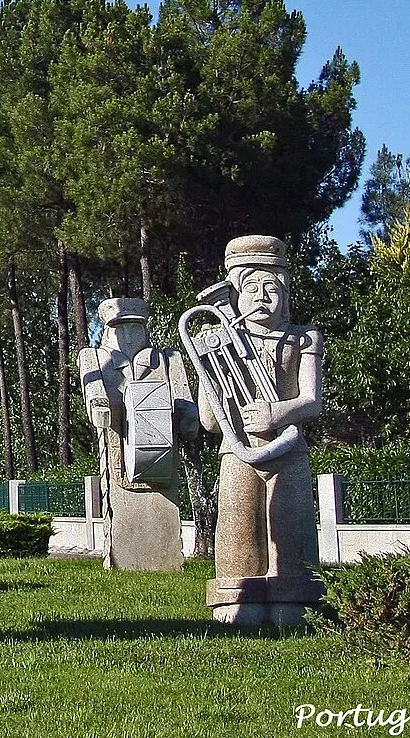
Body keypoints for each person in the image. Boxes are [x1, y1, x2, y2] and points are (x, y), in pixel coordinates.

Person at [199, 235, 323, 624]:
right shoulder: (220, 343)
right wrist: (207, 367)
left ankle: (294, 592)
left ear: (286, 293)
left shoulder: (304, 338)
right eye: (250, 288)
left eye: (272, 287)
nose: (262, 297)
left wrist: (276, 414)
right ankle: (236, 595)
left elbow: (313, 401)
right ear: (234, 295)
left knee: (292, 524)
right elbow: (209, 420)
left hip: (289, 449)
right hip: (238, 452)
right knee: (237, 524)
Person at [79, 298, 197, 570]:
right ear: (108, 329)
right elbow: (95, 399)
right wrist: (100, 406)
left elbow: (184, 401)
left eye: (135, 328)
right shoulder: (93, 357)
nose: (128, 336)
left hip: (163, 457)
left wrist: (189, 417)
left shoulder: (168, 359)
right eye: (121, 328)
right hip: (118, 454)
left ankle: (167, 559)